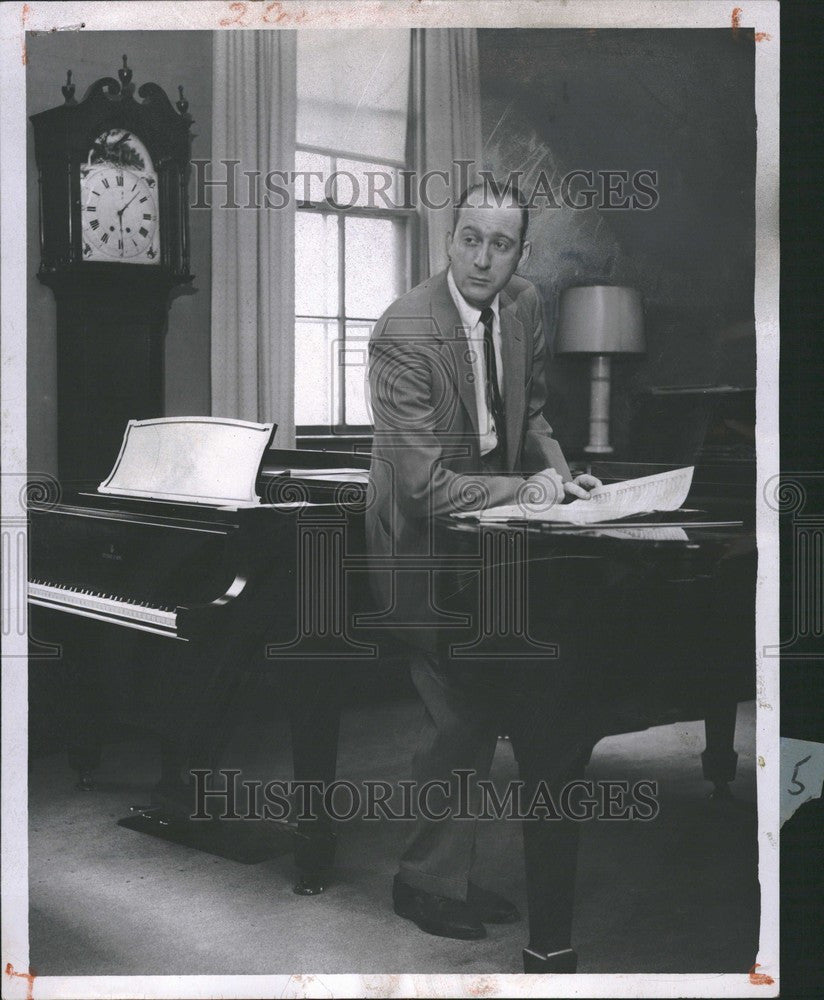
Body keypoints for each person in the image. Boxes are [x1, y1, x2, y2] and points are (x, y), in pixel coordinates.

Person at [366, 178, 600, 940]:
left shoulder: (525, 305)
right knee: (459, 710)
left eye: (501, 245)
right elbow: (424, 485)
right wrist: (532, 491)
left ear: (520, 253)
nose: (483, 258)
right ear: (450, 237)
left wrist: (563, 479)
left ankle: (445, 875)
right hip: (421, 547)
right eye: (471, 238)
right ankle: (421, 883)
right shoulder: (404, 331)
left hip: (497, 538)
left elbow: (529, 412)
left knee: (495, 697)